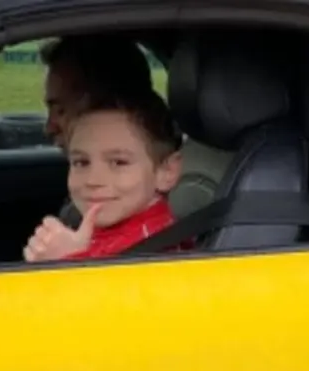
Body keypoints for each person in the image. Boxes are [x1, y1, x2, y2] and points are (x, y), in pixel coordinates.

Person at [39, 35, 231, 228]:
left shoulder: (156, 227)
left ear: (105, 106)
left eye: (60, 111)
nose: (48, 128)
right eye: (81, 163)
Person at [23, 88, 187, 262]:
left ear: (166, 172)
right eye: (81, 162)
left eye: (118, 162)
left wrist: (67, 260)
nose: (93, 180)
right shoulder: (109, 231)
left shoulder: (158, 249)